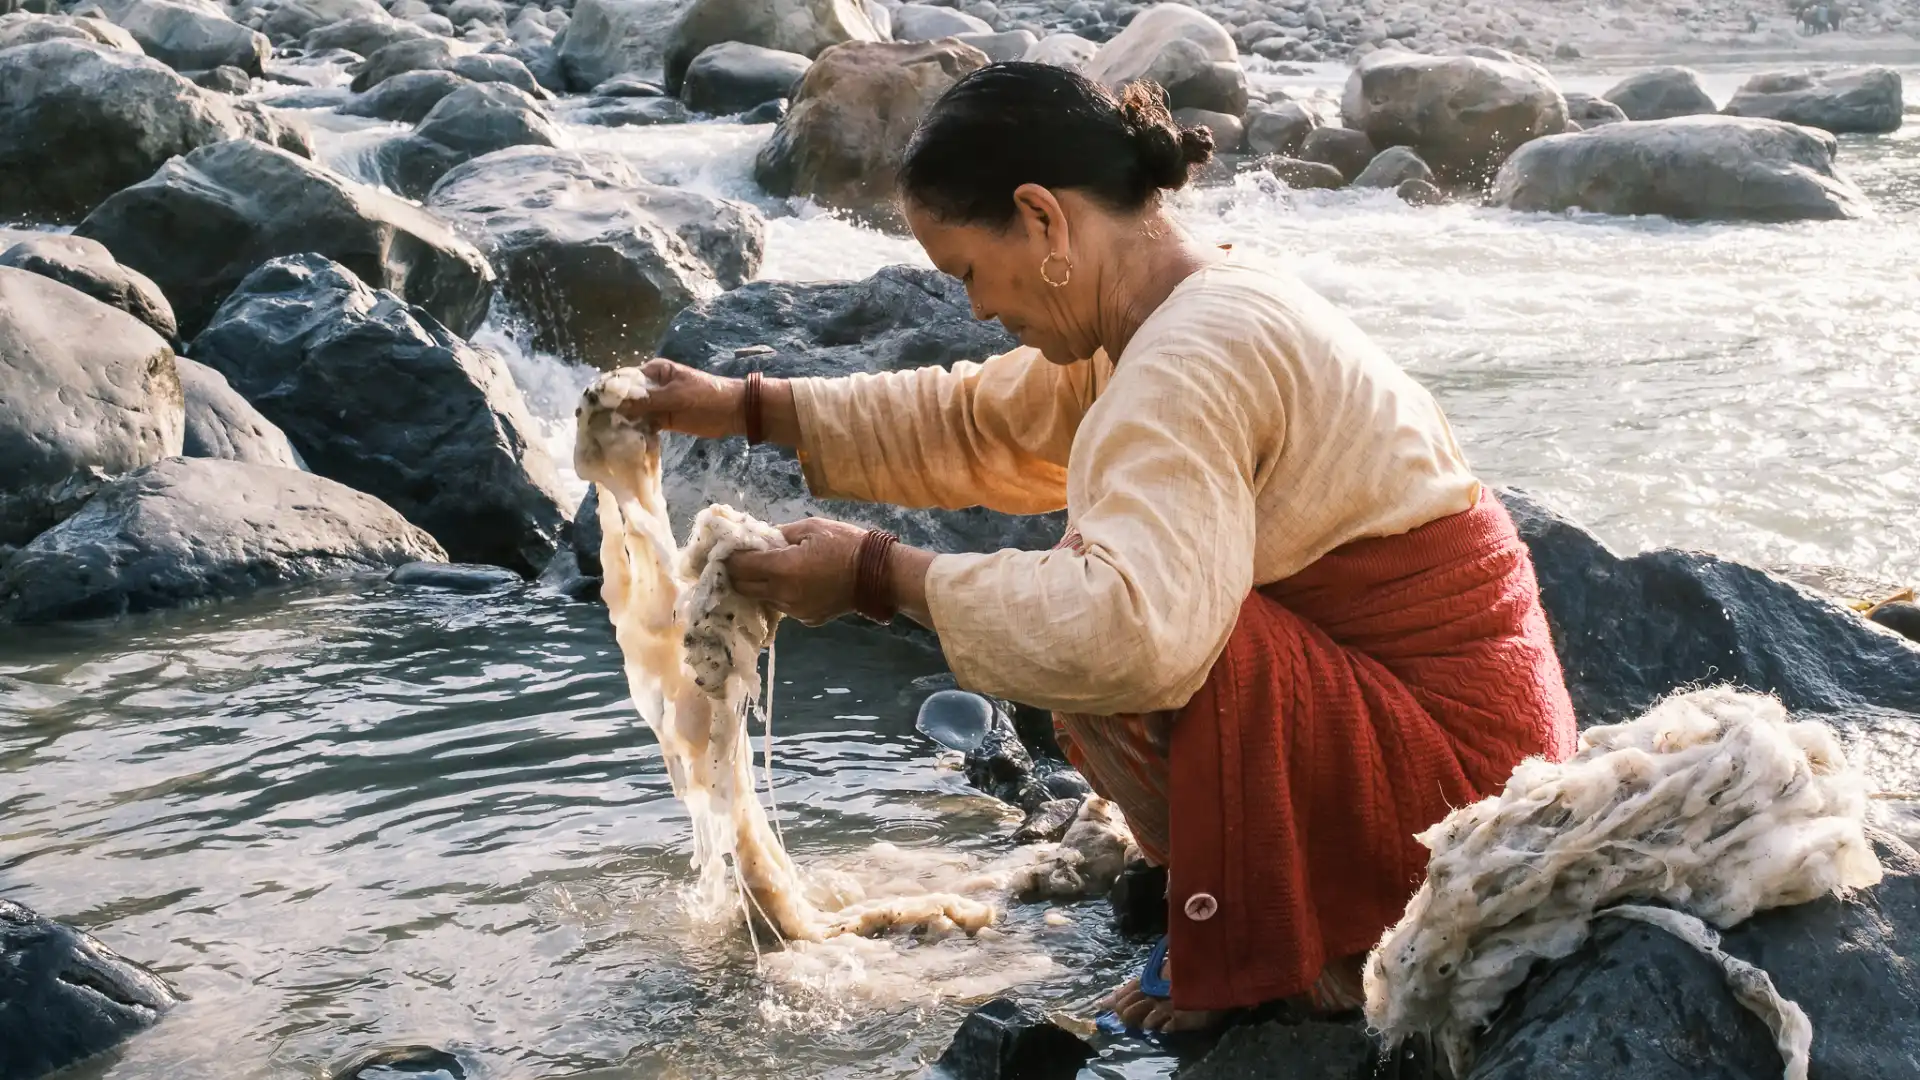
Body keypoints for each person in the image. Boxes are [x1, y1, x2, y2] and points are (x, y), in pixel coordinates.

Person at [618, 62, 1579, 1033]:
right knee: (1100, 583)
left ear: (1041, 219)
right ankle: (1255, 906)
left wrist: (878, 577)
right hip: (1455, 742)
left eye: (966, 274)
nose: (979, 309)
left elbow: (1134, 637)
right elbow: (975, 425)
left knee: (1108, 613)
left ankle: (1299, 941)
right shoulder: (1172, 313)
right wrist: (738, 407)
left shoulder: (1192, 353)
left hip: (1451, 786)